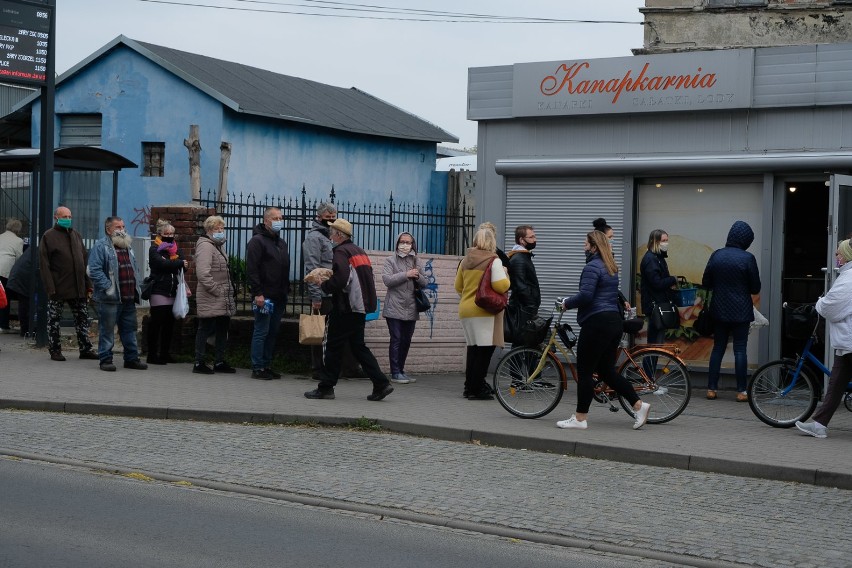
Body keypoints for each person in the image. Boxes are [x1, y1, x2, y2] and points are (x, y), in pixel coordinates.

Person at [556, 230, 650, 430]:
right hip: (613, 323)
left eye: (585, 243)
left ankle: (580, 418)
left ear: (593, 246)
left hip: (596, 324)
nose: (583, 247)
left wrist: (566, 303)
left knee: (585, 372)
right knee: (606, 371)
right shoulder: (610, 266)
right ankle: (639, 405)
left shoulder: (592, 267)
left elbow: (586, 296)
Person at [304, 218, 394, 401]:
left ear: (338, 235)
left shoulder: (340, 251)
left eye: (332, 232)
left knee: (331, 346)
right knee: (358, 347)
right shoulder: (358, 251)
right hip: (360, 308)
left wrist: (325, 284)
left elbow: (342, 279)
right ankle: (381, 384)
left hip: (345, 307)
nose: (330, 235)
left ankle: (326, 387)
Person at [795, 240, 852, 438]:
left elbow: (831, 308)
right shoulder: (846, 276)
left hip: (850, 341)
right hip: (846, 343)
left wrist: (819, 303)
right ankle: (819, 424)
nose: (837, 257)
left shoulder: (849, 278)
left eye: (840, 254)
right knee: (836, 385)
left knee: (836, 384)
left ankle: (819, 424)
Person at [301, 202, 363, 380]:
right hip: (323, 292)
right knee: (320, 332)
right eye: (328, 217)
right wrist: (315, 295)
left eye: (333, 217)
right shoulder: (314, 238)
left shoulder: (334, 236)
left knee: (337, 332)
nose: (331, 220)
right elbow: (312, 268)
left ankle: (346, 367)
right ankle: (318, 368)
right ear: (319, 217)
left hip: (337, 291)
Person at [702, 220, 761, 401]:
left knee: (717, 348)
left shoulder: (716, 255)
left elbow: (706, 282)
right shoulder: (748, 258)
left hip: (719, 309)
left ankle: (711, 389)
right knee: (740, 350)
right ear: (745, 240)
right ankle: (741, 391)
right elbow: (755, 288)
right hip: (741, 311)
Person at [455, 227, 511, 400]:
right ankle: (477, 389)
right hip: (483, 310)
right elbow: (501, 286)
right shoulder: (493, 261)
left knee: (473, 349)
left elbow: (458, 287)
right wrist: (506, 276)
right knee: (484, 351)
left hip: (466, 309)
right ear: (491, 242)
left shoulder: (465, 260)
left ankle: (469, 387)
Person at [38, 206, 98, 362]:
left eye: (70, 216)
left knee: (82, 319)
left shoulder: (76, 235)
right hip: (58, 287)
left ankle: (85, 349)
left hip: (78, 286)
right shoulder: (48, 236)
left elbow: (83, 261)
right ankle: (55, 350)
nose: (68, 219)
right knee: (54, 320)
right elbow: (44, 265)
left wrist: (87, 283)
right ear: (56, 217)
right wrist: (50, 287)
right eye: (64, 216)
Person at [87, 216, 147, 371]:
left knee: (129, 330)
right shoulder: (101, 246)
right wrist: (108, 287)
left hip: (128, 298)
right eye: (118, 227)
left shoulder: (127, 245)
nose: (122, 230)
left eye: (123, 226)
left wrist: (138, 286)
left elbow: (134, 268)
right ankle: (105, 359)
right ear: (109, 229)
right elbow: (94, 270)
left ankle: (131, 359)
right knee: (107, 330)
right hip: (110, 298)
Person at [247, 207, 290, 380]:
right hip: (264, 295)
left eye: (281, 217)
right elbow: (252, 269)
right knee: (261, 330)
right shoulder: (257, 241)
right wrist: (258, 293)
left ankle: (266, 364)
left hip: (279, 294)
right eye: (275, 218)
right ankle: (257, 367)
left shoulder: (281, 242)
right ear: (266, 221)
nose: (279, 220)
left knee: (273, 331)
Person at [193, 215, 237, 375]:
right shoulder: (205, 246)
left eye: (222, 228)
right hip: (211, 295)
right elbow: (203, 273)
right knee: (205, 328)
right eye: (217, 228)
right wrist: (216, 290)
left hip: (222, 296)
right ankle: (199, 361)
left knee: (222, 328)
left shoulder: (218, 245)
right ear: (209, 230)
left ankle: (219, 361)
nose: (220, 231)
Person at [382, 231, 427, 383]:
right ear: (397, 243)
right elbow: (387, 280)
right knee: (396, 339)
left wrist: (418, 276)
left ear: (413, 244)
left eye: (408, 242)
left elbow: (425, 282)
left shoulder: (417, 260)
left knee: (406, 340)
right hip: (394, 306)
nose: (405, 245)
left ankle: (401, 370)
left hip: (412, 307)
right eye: (403, 242)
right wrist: (406, 274)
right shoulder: (390, 260)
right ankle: (395, 372)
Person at [145, 220, 189, 365]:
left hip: (173, 291)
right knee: (157, 322)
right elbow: (162, 264)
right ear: (160, 235)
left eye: (171, 234)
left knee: (169, 325)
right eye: (166, 234)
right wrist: (179, 263)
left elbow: (184, 265)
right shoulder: (154, 249)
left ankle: (165, 353)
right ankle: (152, 354)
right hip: (159, 289)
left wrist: (179, 263)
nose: (169, 236)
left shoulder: (176, 249)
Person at [639, 229, 677, 345]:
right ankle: (649, 363)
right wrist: (672, 279)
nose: (666, 243)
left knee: (658, 341)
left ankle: (652, 362)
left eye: (667, 240)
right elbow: (657, 283)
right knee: (654, 341)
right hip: (654, 305)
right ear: (654, 242)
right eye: (663, 240)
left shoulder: (658, 257)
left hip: (659, 304)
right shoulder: (651, 259)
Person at [506, 224, 540, 345]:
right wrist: (531, 306)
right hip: (523, 310)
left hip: (525, 308)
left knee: (525, 344)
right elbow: (521, 286)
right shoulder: (519, 258)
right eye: (531, 237)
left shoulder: (524, 256)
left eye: (534, 236)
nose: (534, 240)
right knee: (521, 344)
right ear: (521, 240)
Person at [0, 218, 23, 333]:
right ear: (18, 229)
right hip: (5, 271)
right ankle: (3, 325)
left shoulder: (0, 236)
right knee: (5, 298)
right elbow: (19, 258)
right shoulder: (18, 241)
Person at [6, 242, 33, 336]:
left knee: (24, 304)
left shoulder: (35, 248)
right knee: (25, 304)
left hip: (17, 277)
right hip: (22, 280)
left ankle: (25, 329)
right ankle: (25, 330)